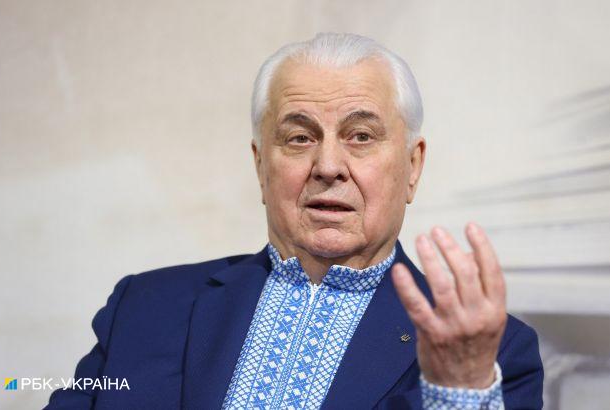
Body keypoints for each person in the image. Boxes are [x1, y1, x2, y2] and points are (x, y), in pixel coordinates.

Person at [45, 32, 543, 409]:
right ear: (261, 166)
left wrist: (458, 393)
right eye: (300, 138)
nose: (328, 166)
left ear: (412, 167)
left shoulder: (486, 356)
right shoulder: (146, 306)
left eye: (361, 136)